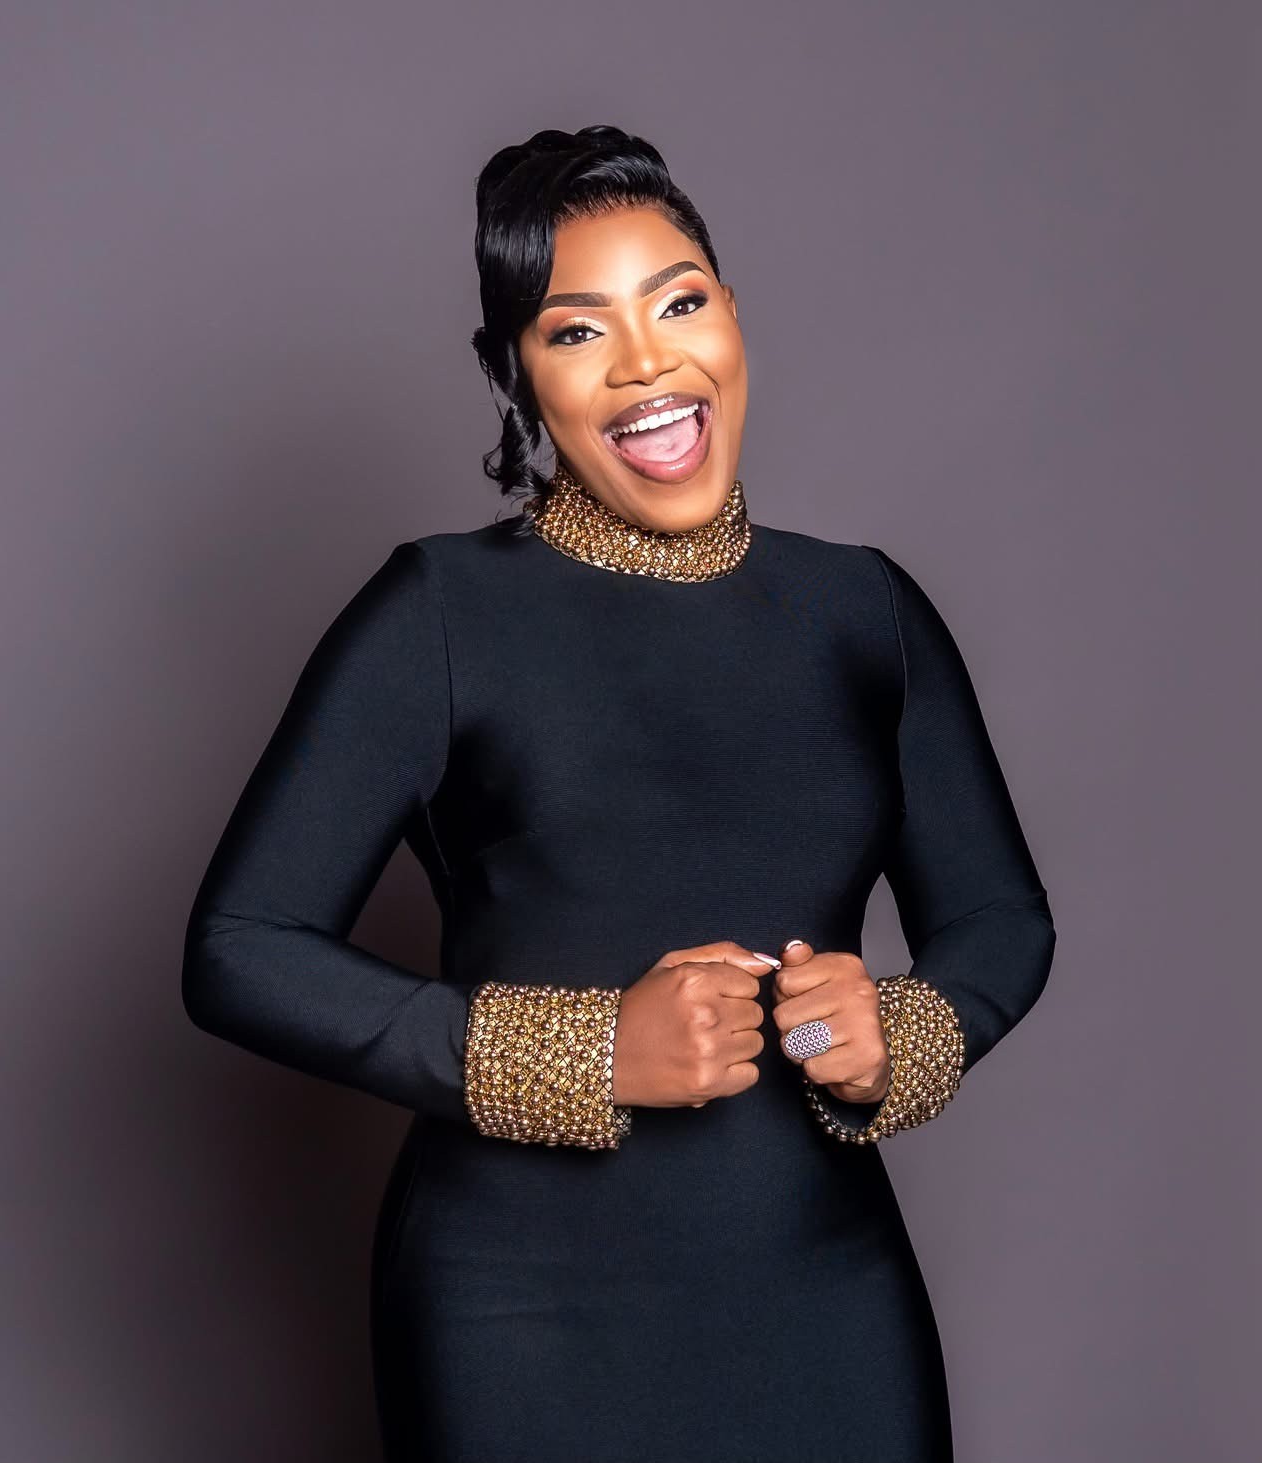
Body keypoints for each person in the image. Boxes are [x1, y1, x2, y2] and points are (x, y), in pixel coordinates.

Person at [182, 123, 1056, 1463]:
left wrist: (904, 1027)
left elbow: (1000, 920)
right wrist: (584, 1053)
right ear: (515, 377)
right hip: (521, 1313)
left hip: (825, 1295)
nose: (648, 363)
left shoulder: (865, 612)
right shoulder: (439, 613)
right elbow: (239, 950)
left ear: (733, 316)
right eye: (579, 331)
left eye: (680, 302)